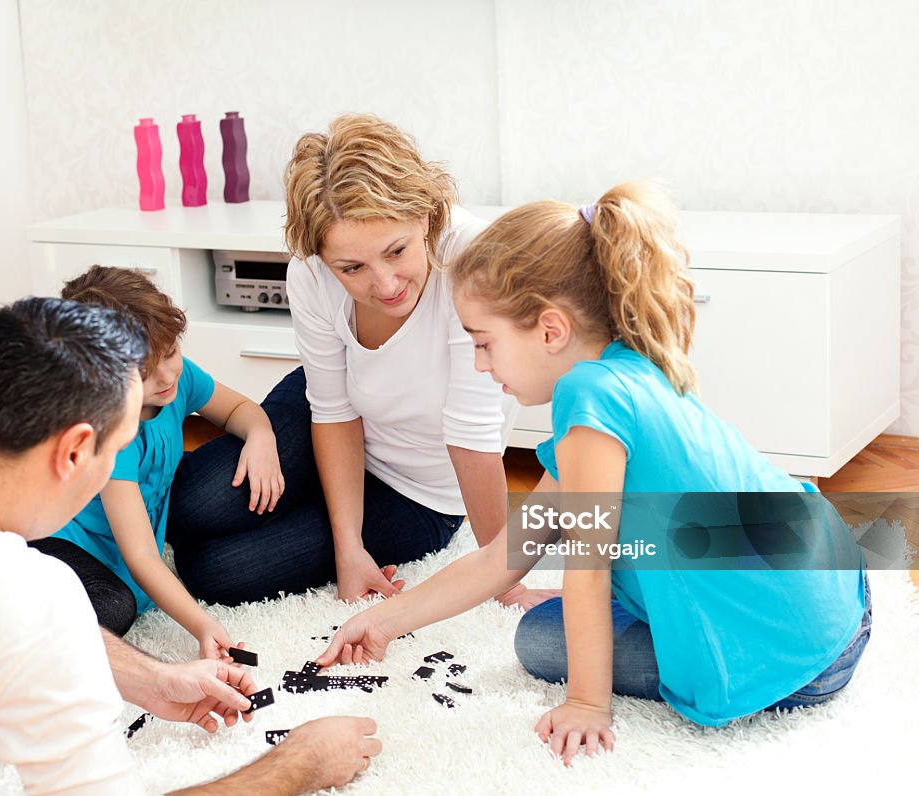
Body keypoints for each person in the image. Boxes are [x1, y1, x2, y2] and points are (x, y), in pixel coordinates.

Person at [315, 182, 870, 765]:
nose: (480, 364)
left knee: (541, 639)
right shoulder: (623, 368)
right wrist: (381, 623)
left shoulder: (588, 401)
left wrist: (586, 701)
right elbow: (507, 555)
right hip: (834, 595)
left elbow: (587, 567)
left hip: (802, 657)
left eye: (484, 343)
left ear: (550, 331)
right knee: (562, 616)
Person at [0, 297, 380, 795]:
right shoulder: (39, 607)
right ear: (75, 452)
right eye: (121, 443)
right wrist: (300, 764)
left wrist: (147, 677)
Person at [168, 113, 552, 610]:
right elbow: (331, 408)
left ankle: (304, 508)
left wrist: (507, 581)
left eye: (397, 251)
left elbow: (472, 435)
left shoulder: (476, 261)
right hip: (332, 411)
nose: (386, 285)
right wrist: (348, 548)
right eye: (352, 268)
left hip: (417, 490)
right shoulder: (310, 271)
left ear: (428, 217)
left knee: (213, 573)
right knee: (191, 504)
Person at [39, 265, 283, 657]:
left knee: (128, 599)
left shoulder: (178, 378)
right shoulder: (110, 431)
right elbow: (141, 558)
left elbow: (239, 407)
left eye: (170, 352)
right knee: (112, 609)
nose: (167, 375)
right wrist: (202, 624)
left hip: (122, 543)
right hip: (59, 544)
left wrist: (261, 435)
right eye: (145, 372)